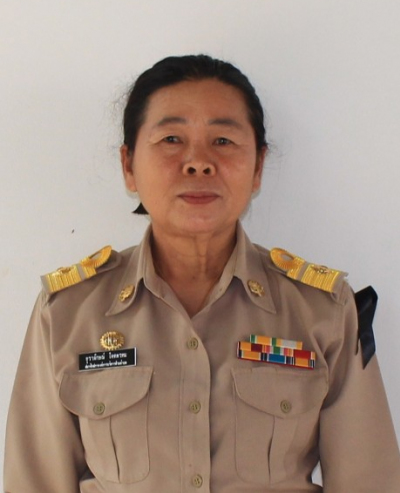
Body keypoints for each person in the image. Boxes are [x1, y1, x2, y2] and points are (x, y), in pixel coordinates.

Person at [4, 55, 400, 493]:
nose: (198, 162)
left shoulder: (322, 311)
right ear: (129, 165)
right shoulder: (68, 313)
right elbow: (34, 482)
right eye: (172, 139)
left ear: (258, 167)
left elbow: (368, 482)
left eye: (223, 141)